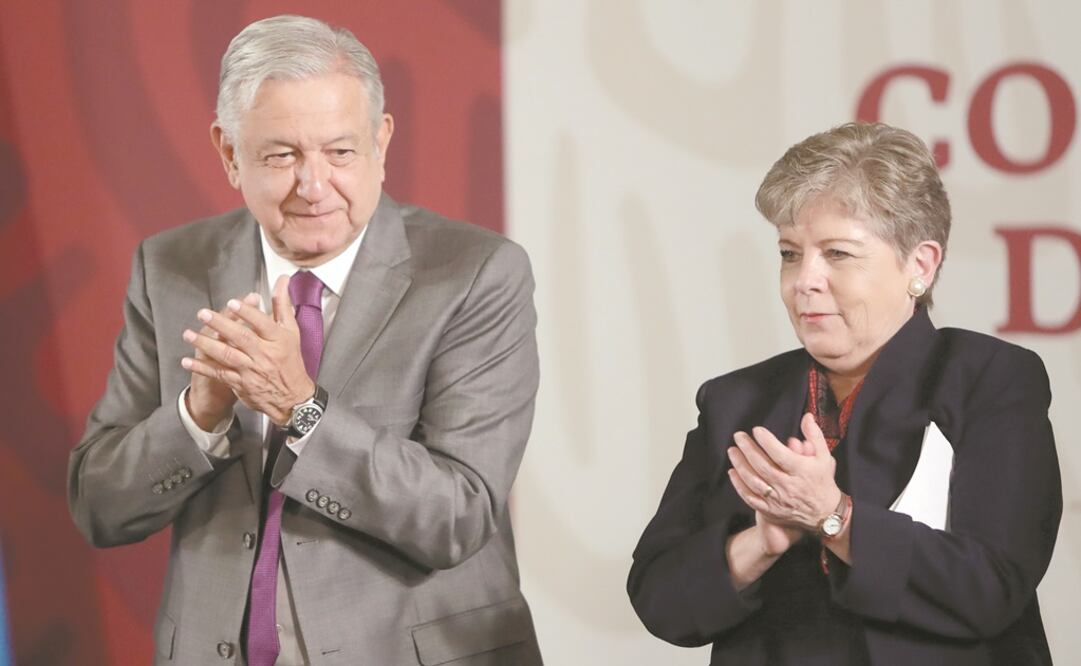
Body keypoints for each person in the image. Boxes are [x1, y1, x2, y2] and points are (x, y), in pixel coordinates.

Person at [68, 15, 542, 666]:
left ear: (380, 142)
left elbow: (456, 516)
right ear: (230, 153)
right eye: (282, 154)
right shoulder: (170, 266)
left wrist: (301, 410)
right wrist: (196, 418)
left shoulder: (474, 274)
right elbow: (99, 506)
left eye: (340, 152)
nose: (314, 186)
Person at [627, 122, 1061, 665]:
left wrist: (834, 517)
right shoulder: (735, 401)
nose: (803, 280)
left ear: (920, 265)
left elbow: (992, 587)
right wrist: (759, 543)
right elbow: (658, 599)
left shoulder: (989, 378)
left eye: (837, 254)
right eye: (789, 253)